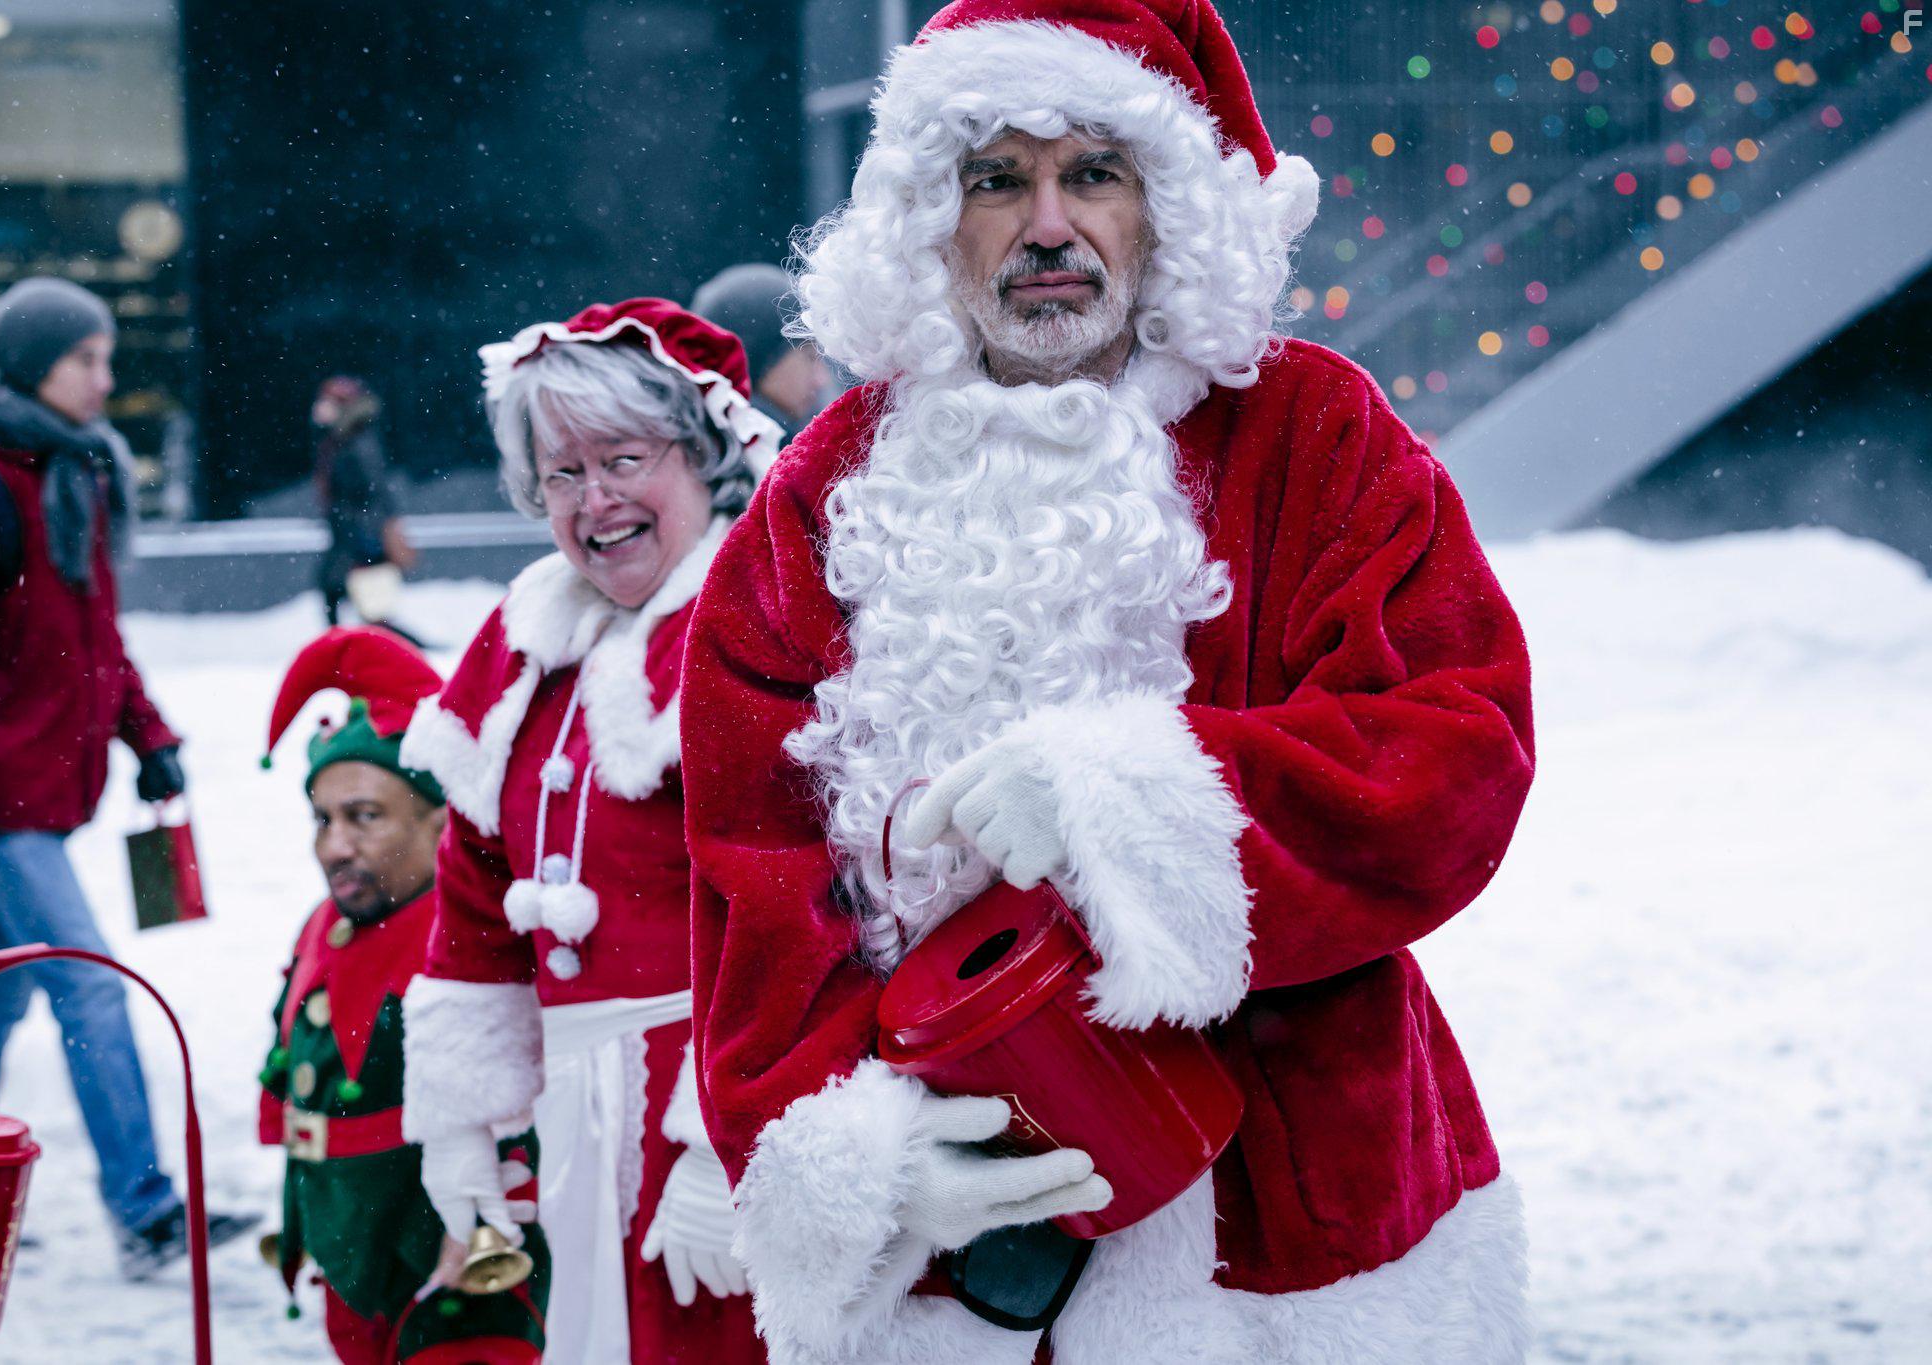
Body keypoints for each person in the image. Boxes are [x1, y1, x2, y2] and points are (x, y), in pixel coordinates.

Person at [678, 3, 1537, 1362]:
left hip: (1299, 1235)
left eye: (1094, 173)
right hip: (960, 1272)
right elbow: (756, 879)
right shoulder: (814, 508)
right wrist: (863, 1161)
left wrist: (1144, 808)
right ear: (929, 220)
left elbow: (1455, 751)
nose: (1047, 227)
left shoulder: (1317, 437)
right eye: (995, 179)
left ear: (1167, 208)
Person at [397, 298, 781, 1364]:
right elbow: (476, 903)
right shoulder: (524, 646)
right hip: (576, 1122)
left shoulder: (754, 628)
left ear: (703, 457)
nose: (594, 500)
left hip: (716, 1112)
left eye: (621, 458)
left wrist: (731, 1141)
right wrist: (463, 1126)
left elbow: (802, 914)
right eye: (561, 474)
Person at [0, 275, 255, 1276]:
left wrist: (151, 734)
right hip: (4, 802)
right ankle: (144, 1213)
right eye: (85, 359)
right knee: (91, 990)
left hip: (55, 787)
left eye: (103, 356)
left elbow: (90, 639)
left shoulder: (69, 473)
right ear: (34, 367)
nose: (105, 377)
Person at [259, 626, 549, 1363]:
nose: (334, 845)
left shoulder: (471, 943)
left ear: (439, 818)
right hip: (352, 1236)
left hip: (446, 1253)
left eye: (365, 816)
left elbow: (519, 1102)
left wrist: (492, 1214)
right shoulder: (323, 926)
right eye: (323, 819)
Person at [311, 375, 415, 633]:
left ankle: (341, 650)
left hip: (360, 535)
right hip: (353, 533)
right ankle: (339, 648)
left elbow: (371, 490)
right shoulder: (343, 440)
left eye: (326, 401)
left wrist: (363, 531)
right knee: (346, 595)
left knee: (368, 608)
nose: (319, 408)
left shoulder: (355, 442)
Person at [690, 263, 834, 435]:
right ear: (754, 358)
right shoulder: (760, 455)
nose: (822, 379)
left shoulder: (700, 445)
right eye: (810, 357)